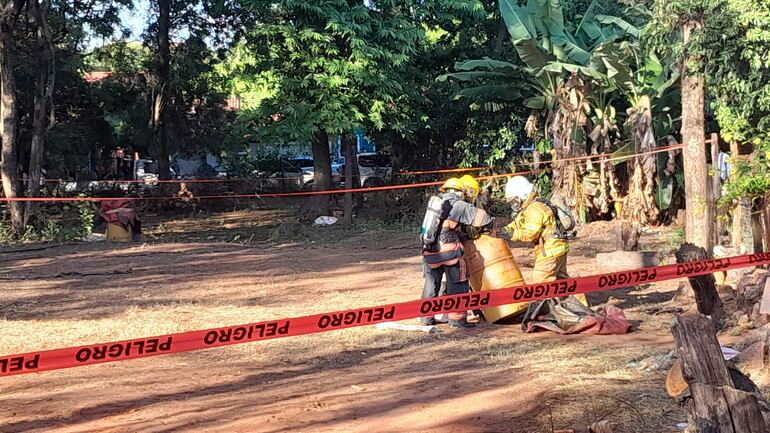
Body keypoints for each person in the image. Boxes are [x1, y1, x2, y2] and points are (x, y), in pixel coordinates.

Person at [499, 176, 587, 306]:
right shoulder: (531, 206)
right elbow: (518, 223)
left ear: (522, 194)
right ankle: (582, 306)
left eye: (515, 200)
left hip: (550, 251)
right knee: (562, 280)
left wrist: (511, 234)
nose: (514, 204)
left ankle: (542, 311)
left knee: (541, 280)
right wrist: (504, 230)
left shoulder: (534, 208)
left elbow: (530, 234)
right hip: (558, 247)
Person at [420, 176, 493, 328]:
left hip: (429, 250)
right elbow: (484, 220)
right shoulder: (459, 205)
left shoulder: (435, 203)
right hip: (449, 252)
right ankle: (457, 320)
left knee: (431, 284)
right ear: (461, 191)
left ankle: (426, 318)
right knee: (458, 283)